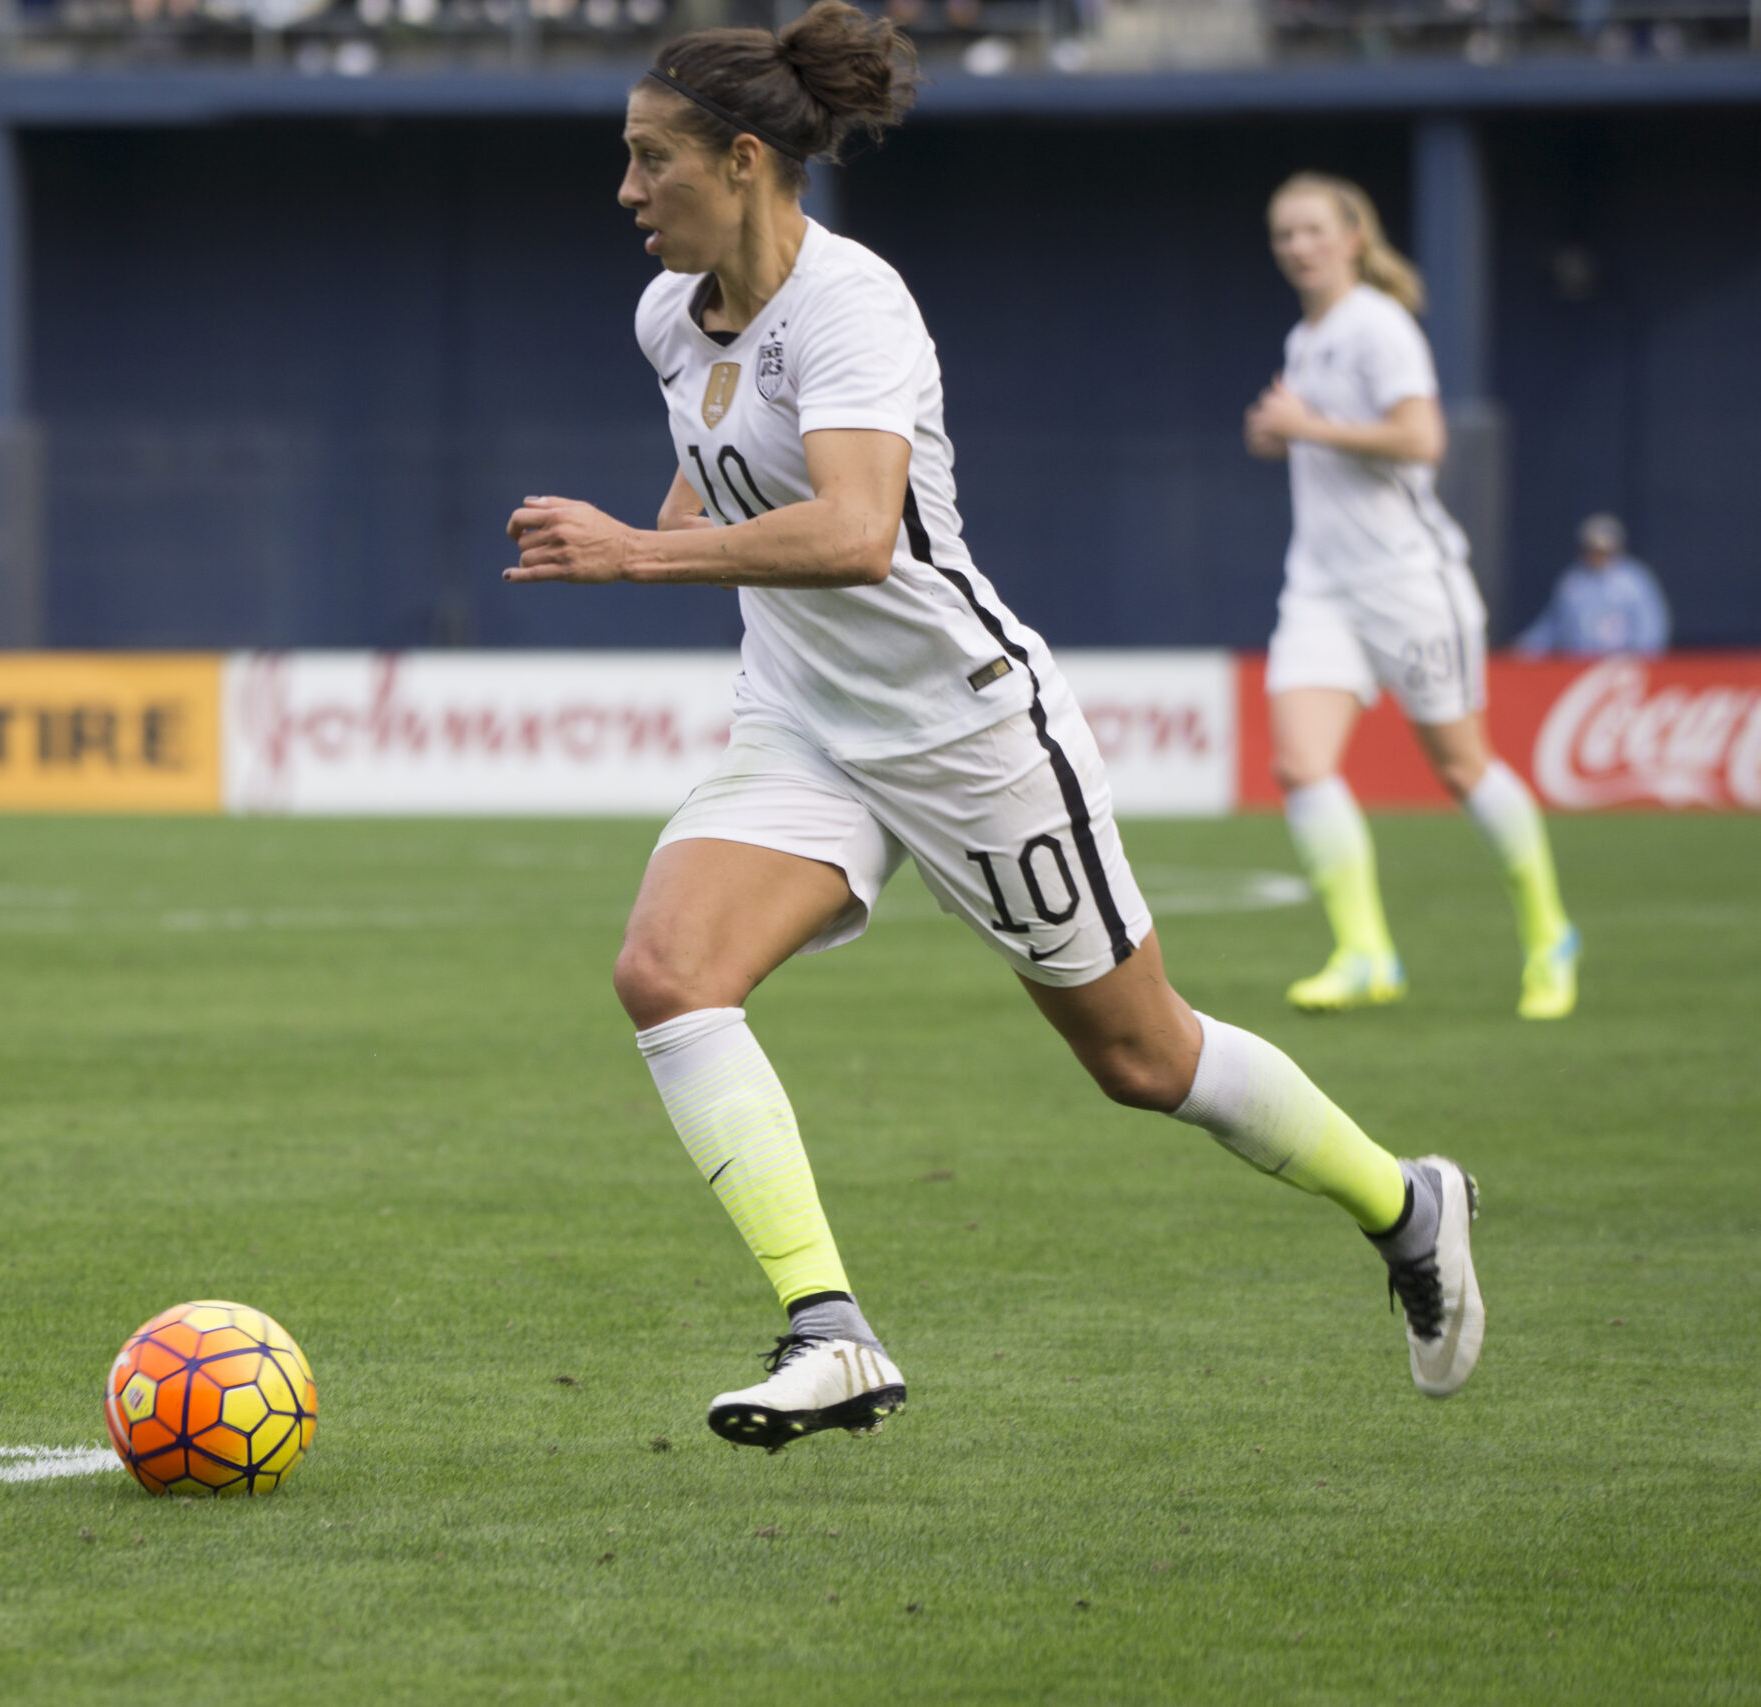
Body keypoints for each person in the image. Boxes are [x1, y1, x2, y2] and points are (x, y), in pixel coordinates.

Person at [503, 4, 1482, 1451]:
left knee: (1144, 1059)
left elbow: (850, 531)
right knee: (666, 970)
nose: (628, 192)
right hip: (804, 719)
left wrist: (633, 556)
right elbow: (713, 495)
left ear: (751, 159)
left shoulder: (855, 306)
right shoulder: (669, 313)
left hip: (966, 730)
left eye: (652, 162)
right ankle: (828, 1327)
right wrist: (645, 535)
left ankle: (1408, 1205)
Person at [1243, 173, 1579, 1022]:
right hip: (1321, 585)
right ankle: (1365, 953)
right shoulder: (1307, 337)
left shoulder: (1377, 326)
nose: (1298, 246)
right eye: (1284, 233)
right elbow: (1327, 442)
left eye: (1313, 230)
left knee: (1461, 767)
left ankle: (1549, 934)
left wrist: (1304, 427)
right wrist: (1280, 436)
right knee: (1298, 762)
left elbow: (1421, 440)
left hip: (1406, 581)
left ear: (1354, 235)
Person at [1514, 513, 1669, 657]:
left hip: (1622, 668)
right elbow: (1553, 624)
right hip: (1578, 665)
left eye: (1603, 551)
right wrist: (1525, 649)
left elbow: (1651, 627)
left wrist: (1642, 659)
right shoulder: (1573, 581)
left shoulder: (1634, 580)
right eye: (1592, 550)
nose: (1597, 556)